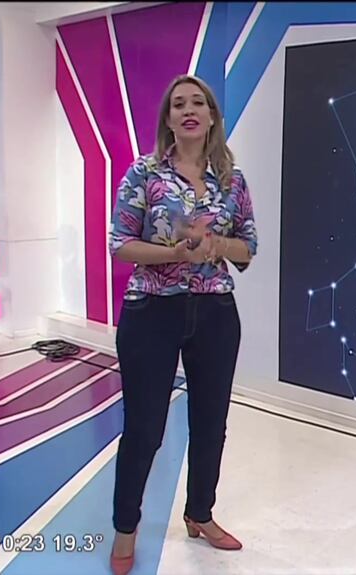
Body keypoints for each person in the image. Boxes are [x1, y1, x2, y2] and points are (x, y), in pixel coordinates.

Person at [106, 74, 257, 575]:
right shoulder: (144, 173)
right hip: (152, 310)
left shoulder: (232, 180)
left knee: (211, 424)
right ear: (168, 120)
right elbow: (121, 244)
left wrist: (216, 246)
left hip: (215, 313)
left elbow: (248, 248)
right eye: (178, 105)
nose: (188, 110)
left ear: (212, 116)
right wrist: (176, 252)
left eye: (198, 103)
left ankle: (200, 514)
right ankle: (126, 528)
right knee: (144, 429)